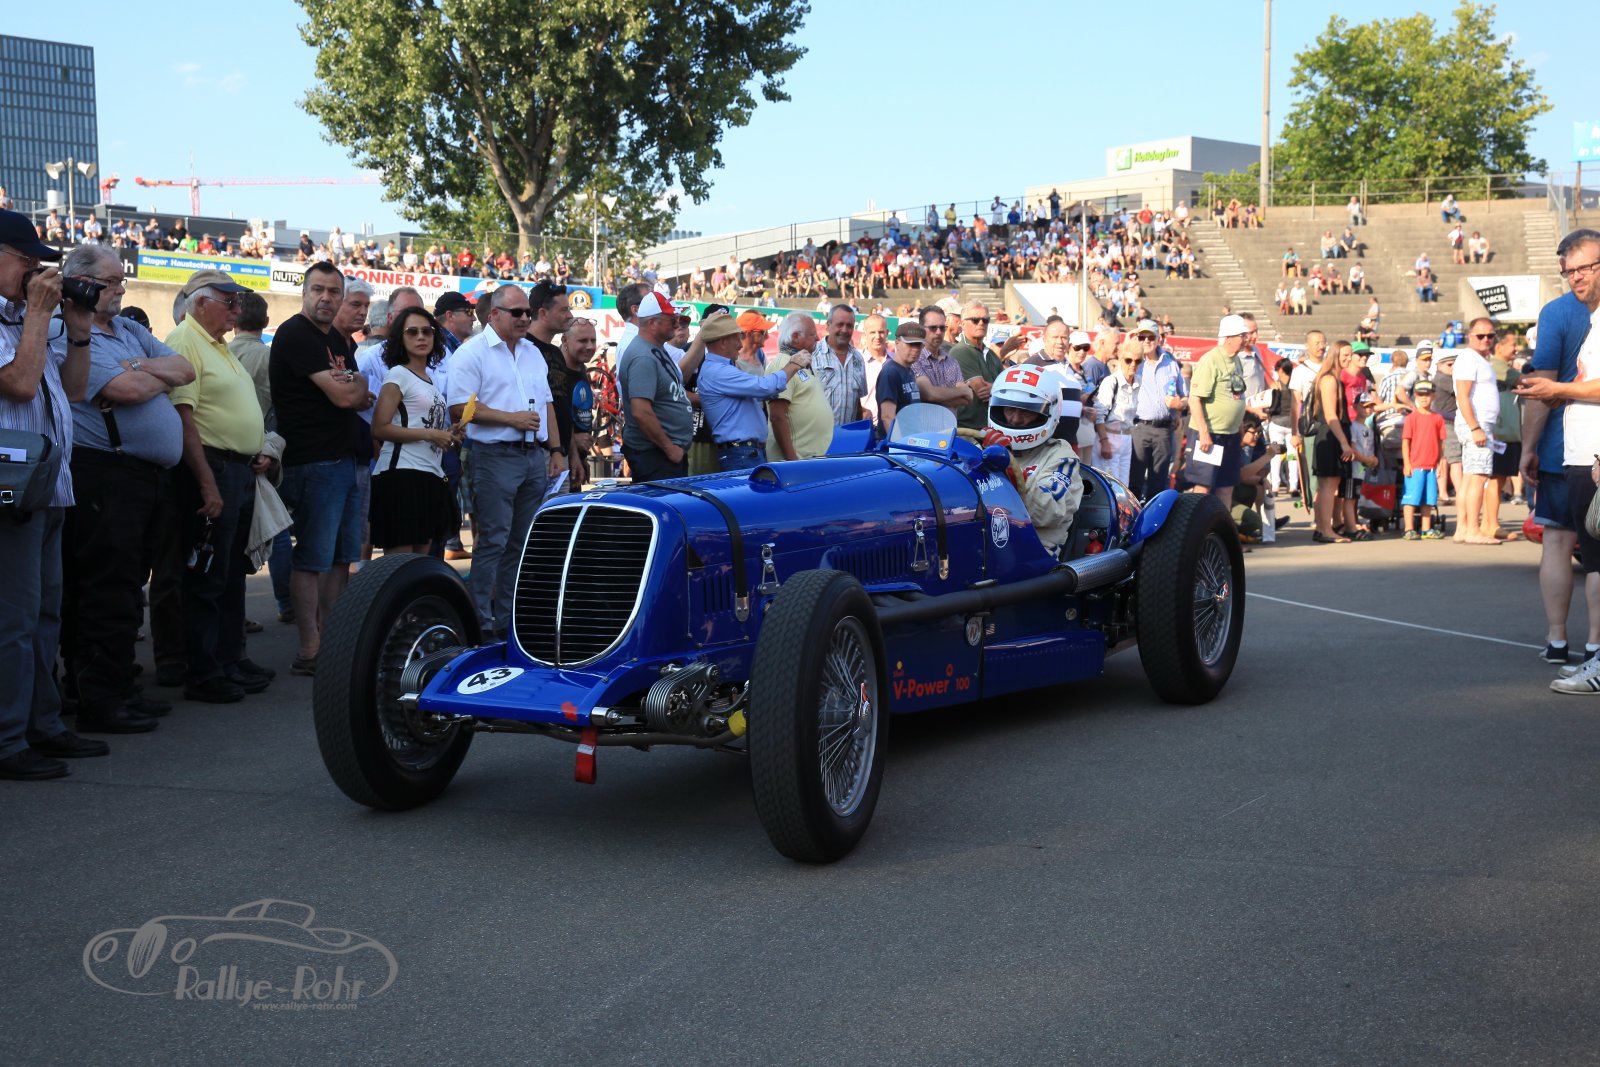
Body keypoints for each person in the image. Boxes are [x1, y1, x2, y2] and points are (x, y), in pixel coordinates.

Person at [59, 245, 194, 735]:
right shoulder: (67, 330)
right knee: (106, 588)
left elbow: (185, 370)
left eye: (122, 280)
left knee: (128, 587)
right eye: (112, 281)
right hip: (106, 474)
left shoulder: (128, 330)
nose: (121, 288)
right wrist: (144, 373)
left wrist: (135, 366)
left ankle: (118, 686)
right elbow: (126, 391)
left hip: (142, 478)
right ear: (80, 282)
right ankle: (99, 698)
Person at [0, 211, 100, 779]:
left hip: (49, 488)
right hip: (8, 491)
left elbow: (76, 389)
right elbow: (18, 383)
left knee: (44, 616)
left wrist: (78, 326)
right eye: (26, 261)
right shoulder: (19, 321)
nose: (37, 273)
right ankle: (8, 740)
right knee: (12, 622)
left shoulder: (23, 319)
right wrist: (40, 313)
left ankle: (43, 724)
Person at [167, 269, 273, 701]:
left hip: (237, 469)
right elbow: (184, 418)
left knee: (230, 575)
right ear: (200, 302)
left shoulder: (217, 345)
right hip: (214, 469)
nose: (236, 310)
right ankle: (204, 670)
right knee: (208, 575)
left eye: (237, 303)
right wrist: (208, 484)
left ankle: (229, 659)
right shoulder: (185, 341)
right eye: (229, 302)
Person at [270, 262, 375, 675]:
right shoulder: (296, 334)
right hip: (313, 461)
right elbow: (349, 396)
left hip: (343, 459)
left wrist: (353, 385)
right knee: (313, 558)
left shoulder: (334, 338)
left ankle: (330, 642)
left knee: (341, 559)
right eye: (318, 289)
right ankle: (309, 650)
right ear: (304, 292)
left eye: (334, 291)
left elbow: (358, 390)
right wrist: (354, 385)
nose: (326, 298)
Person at [446, 285, 559, 634]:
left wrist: (555, 450)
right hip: (494, 456)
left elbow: (547, 404)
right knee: (494, 541)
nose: (525, 318)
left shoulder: (532, 352)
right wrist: (512, 419)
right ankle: (481, 621)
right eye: (517, 312)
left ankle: (507, 619)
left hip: (533, 456)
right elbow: (459, 408)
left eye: (528, 312)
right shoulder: (471, 353)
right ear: (494, 315)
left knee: (521, 543)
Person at [1519, 228, 1600, 666]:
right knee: (1587, 550)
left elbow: (1542, 386)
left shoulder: (1556, 313)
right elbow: (1541, 387)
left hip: (1566, 445)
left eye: (1584, 268)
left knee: (1559, 542)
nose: (1576, 277)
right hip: (1570, 445)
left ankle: (1558, 640)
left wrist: (1529, 447)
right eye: (1570, 270)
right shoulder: (1566, 312)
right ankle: (1592, 645)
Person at [369, 306, 459, 554]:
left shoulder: (429, 379)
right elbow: (379, 428)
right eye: (412, 332)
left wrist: (447, 435)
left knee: (419, 564)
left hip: (429, 474)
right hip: (401, 475)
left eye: (427, 331)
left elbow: (423, 425)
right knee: (400, 565)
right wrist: (431, 434)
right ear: (400, 337)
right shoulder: (398, 374)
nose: (421, 337)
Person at [983, 365, 1083, 556]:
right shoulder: (982, 446)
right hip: (984, 544)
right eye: (1009, 409)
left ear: (1047, 414)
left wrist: (1010, 470)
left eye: (1026, 412)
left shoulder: (1061, 455)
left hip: (1034, 553)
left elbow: (1050, 512)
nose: (1015, 419)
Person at [696, 311, 806, 471]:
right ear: (723, 342)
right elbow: (765, 387)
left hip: (744, 453)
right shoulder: (718, 371)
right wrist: (794, 364)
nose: (740, 345)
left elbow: (762, 391)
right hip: (741, 454)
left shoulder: (719, 369)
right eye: (736, 339)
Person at [1185, 314, 1251, 507]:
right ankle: (1197, 523)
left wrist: (1239, 426)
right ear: (1229, 337)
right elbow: (1194, 399)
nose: (1245, 339)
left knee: (1226, 486)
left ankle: (1222, 523)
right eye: (1242, 335)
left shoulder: (1236, 361)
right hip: (1210, 434)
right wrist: (1204, 433)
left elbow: (1236, 395)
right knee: (1203, 485)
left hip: (1230, 434)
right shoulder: (1210, 360)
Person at [1451, 317, 1503, 545]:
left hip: (1480, 424)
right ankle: (1472, 529)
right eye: (1480, 335)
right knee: (1478, 477)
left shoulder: (1478, 359)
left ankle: (1463, 529)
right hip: (1475, 423)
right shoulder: (1469, 358)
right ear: (1470, 336)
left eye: (1490, 335)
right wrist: (1475, 427)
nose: (1486, 340)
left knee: (1470, 477)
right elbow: (1462, 396)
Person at [1126, 327, 1187, 499]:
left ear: (1158, 338)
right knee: (1134, 479)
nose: (1146, 340)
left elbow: (1185, 396)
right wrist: (1128, 343)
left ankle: (1155, 516)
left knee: (1159, 482)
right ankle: (1132, 515)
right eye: (1142, 337)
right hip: (1139, 427)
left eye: (1150, 337)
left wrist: (1179, 405)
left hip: (1163, 429)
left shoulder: (1170, 362)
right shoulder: (1133, 360)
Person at [766, 312, 834, 461]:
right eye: (813, 334)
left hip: (808, 461)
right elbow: (777, 416)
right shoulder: (783, 365)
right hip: (795, 462)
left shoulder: (801, 364)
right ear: (795, 336)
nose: (818, 338)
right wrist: (792, 461)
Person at [1307, 340, 1355, 543]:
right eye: (1345, 355)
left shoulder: (1332, 378)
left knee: (1327, 485)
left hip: (1332, 434)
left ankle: (1322, 528)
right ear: (1335, 355)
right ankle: (1326, 530)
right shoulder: (1329, 380)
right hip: (1331, 436)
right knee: (1328, 485)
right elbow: (1330, 414)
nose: (1349, 358)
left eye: (1350, 354)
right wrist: (1344, 442)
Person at [948, 301, 1005, 432]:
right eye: (975, 320)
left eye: (985, 320)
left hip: (991, 429)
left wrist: (995, 389)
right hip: (968, 430)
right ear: (962, 324)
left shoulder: (991, 354)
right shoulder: (960, 351)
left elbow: (1005, 387)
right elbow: (982, 391)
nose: (981, 323)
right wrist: (1001, 389)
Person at [1400, 380, 1446, 539]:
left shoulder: (1438, 418)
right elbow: (1406, 441)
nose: (1424, 398)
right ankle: (1408, 529)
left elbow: (1440, 443)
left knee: (1428, 499)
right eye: (1420, 395)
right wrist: (1407, 463)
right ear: (1415, 396)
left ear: (1433, 396)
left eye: (1427, 395)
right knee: (1411, 498)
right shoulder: (1411, 418)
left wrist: (1440, 463)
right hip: (1415, 465)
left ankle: (1426, 529)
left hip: (1431, 466)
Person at [1092, 339, 1140, 485]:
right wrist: (1104, 441)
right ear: (1120, 359)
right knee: (1109, 485)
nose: (1133, 364)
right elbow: (1099, 415)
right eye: (1128, 360)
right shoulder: (1111, 381)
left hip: (1127, 437)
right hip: (1108, 436)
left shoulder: (1138, 382)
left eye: (1138, 361)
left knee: (1124, 486)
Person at [811, 304, 868, 426]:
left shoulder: (858, 359)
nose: (844, 330)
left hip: (847, 435)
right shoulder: (812, 354)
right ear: (828, 325)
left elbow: (857, 403)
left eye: (849, 326)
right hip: (816, 435)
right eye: (840, 324)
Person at [912, 306, 974, 416]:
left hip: (949, 425)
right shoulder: (914, 359)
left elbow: (967, 398)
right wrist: (962, 391)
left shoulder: (952, 362)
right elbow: (929, 394)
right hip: (923, 425)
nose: (938, 332)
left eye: (942, 328)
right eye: (933, 328)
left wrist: (935, 397)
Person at [874, 322, 925, 435]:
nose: (916, 349)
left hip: (911, 440)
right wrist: (898, 443)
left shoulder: (909, 371)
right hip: (896, 442)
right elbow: (887, 417)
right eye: (911, 344)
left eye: (919, 345)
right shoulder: (890, 373)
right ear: (897, 343)